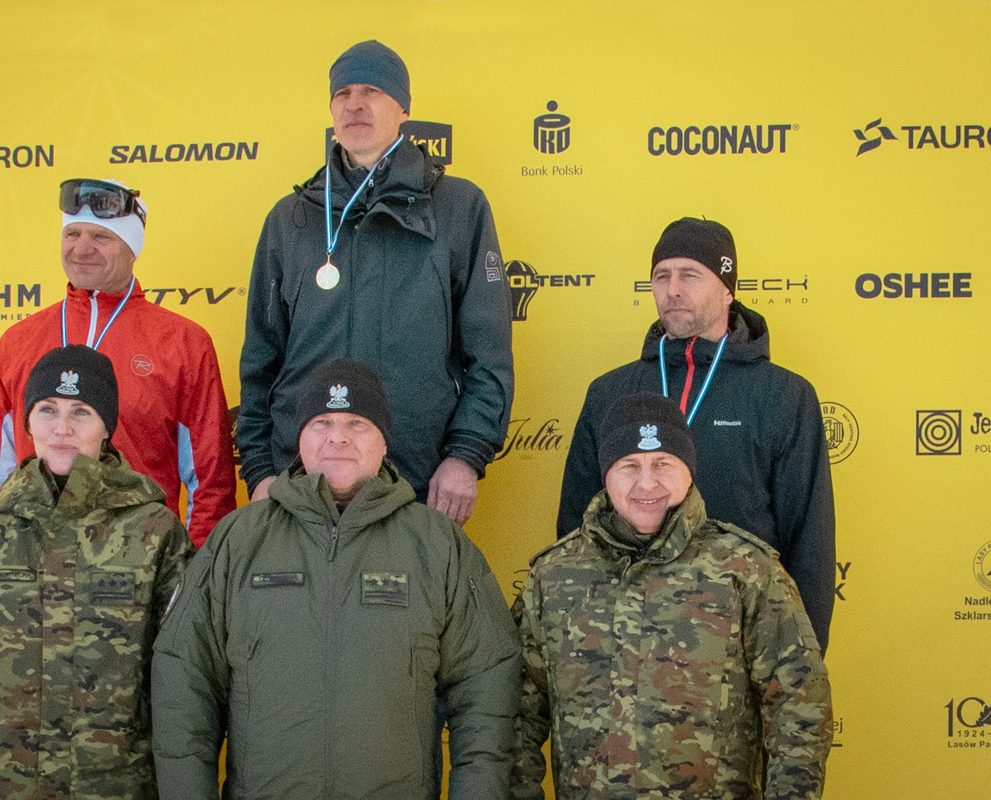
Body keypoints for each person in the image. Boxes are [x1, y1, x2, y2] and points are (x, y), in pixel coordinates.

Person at [152, 359, 520, 799]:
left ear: (384, 440)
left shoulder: (438, 544)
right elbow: (184, 680)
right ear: (299, 438)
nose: (338, 437)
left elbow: (487, 688)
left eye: (357, 423)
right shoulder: (239, 539)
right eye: (321, 422)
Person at [238, 40, 513, 527]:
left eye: (372, 91)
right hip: (300, 480)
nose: (355, 105)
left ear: (403, 107)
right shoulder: (290, 218)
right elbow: (260, 360)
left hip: (414, 477)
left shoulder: (458, 206)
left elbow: (489, 355)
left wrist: (465, 455)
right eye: (343, 93)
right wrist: (260, 469)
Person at [0, 345, 194, 800]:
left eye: (81, 412)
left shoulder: (156, 534)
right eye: (47, 409)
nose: (62, 428)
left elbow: (187, 680)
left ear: (106, 427)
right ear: (27, 422)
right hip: (1, 789)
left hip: (117, 788)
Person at [514, 393, 832, 799]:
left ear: (689, 471)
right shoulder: (553, 576)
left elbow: (799, 706)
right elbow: (516, 717)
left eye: (663, 463)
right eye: (629, 466)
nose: (647, 483)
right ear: (606, 474)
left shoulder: (745, 570)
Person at [557, 217, 836, 653]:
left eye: (690, 275)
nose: (672, 290)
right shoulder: (610, 392)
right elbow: (576, 529)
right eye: (661, 276)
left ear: (727, 289)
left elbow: (810, 542)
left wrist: (800, 662)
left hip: (738, 645)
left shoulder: (784, 396)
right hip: (625, 648)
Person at [0, 178, 236, 546]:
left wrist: (191, 571)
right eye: (72, 234)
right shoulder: (17, 342)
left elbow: (210, 485)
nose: (82, 249)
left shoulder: (183, 343)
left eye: (101, 237)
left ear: (132, 247)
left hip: (140, 562)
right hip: (34, 565)